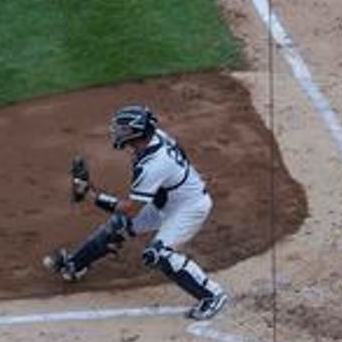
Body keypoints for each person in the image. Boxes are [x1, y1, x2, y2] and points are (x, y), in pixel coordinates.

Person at [44, 105, 228, 321]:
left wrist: (91, 195)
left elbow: (131, 208)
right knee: (117, 227)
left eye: (122, 130)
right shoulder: (155, 138)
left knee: (158, 254)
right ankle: (75, 265)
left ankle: (212, 295)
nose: (117, 133)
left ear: (136, 133)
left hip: (189, 209)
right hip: (167, 202)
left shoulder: (153, 166)